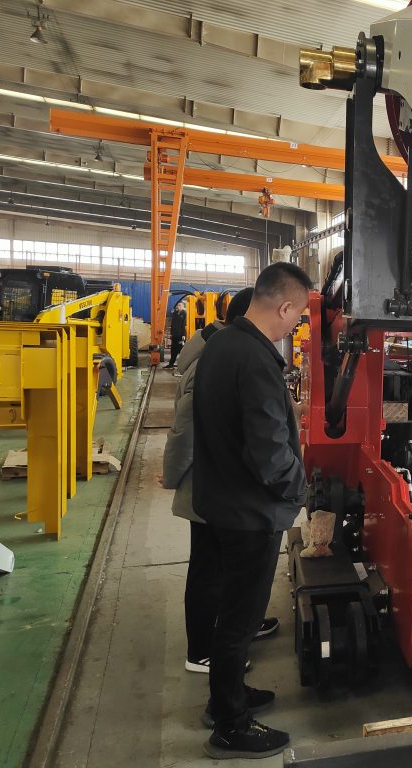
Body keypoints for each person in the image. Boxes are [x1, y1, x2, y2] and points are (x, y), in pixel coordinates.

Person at [192, 262, 312, 760]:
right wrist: (300, 488)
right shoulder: (258, 361)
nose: (296, 327)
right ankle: (230, 725)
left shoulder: (222, 343)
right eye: (298, 317)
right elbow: (270, 454)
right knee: (239, 619)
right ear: (283, 306)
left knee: (228, 615)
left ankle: (227, 697)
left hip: (219, 502)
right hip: (249, 513)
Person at [160, 288, 280, 680]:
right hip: (205, 479)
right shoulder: (213, 357)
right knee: (208, 567)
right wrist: (174, 475)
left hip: (219, 477)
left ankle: (241, 623)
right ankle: (201, 649)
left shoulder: (216, 345)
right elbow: (185, 428)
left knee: (228, 565)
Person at [166, 300, 187, 369]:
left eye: (180, 305)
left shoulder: (184, 313)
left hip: (180, 335)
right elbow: (172, 324)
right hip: (174, 335)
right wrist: (171, 334)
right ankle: (171, 364)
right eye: (178, 305)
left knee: (181, 350)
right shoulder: (175, 313)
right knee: (173, 350)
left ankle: (184, 365)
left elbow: (184, 325)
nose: (178, 306)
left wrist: (183, 335)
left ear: (183, 306)